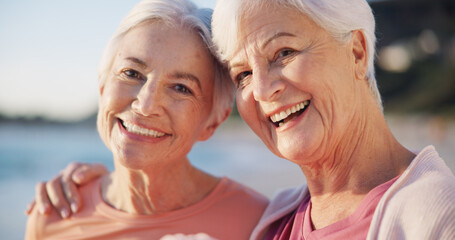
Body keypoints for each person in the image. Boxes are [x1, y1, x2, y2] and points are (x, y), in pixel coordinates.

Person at [30, 0, 455, 239]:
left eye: (284, 53)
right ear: (101, 85)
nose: (266, 88)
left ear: (357, 53)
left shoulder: (437, 213)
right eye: (244, 74)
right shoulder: (276, 220)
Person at [24, 0, 268, 239]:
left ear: (213, 122)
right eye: (132, 73)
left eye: (181, 88)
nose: (146, 104)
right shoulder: (51, 218)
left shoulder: (256, 222)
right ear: (102, 84)